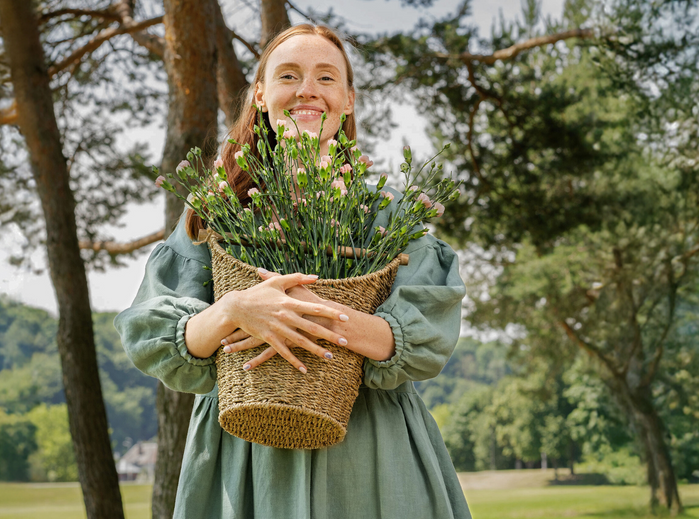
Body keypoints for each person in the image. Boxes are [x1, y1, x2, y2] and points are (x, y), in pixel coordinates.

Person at [114, 24, 472, 519]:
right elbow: (157, 340)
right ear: (261, 95)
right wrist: (238, 309)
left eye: (326, 77)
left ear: (348, 100)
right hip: (243, 456)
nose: (307, 89)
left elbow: (422, 341)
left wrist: (307, 314)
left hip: (371, 455)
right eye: (289, 75)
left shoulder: (393, 213)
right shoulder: (219, 209)